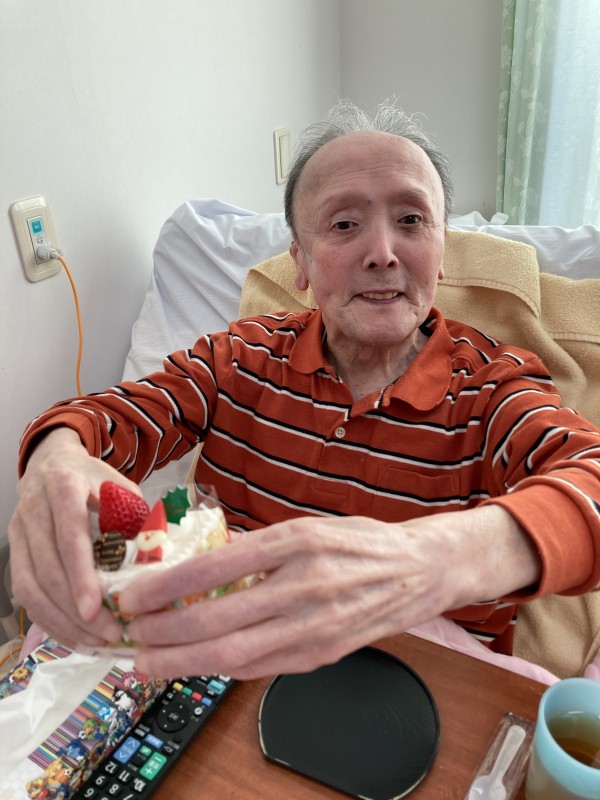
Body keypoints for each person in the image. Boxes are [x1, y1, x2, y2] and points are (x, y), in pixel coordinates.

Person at [9, 100, 600, 681]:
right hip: (232, 664)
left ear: (441, 252)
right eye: (344, 225)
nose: (382, 254)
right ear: (300, 261)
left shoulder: (494, 388)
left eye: (411, 221)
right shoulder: (239, 358)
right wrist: (54, 456)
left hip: (422, 687)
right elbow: (112, 417)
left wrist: (436, 557)